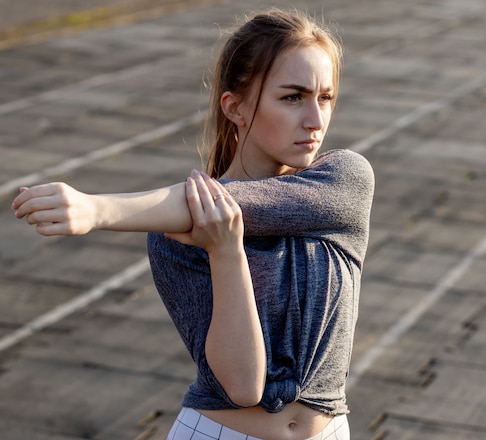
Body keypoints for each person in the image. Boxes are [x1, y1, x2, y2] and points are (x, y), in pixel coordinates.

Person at [12, 8, 374, 440]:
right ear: (234, 107)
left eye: (326, 97)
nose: (315, 120)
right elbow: (242, 387)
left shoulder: (345, 181)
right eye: (292, 97)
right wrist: (225, 252)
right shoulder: (173, 236)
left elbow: (239, 204)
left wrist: (96, 210)